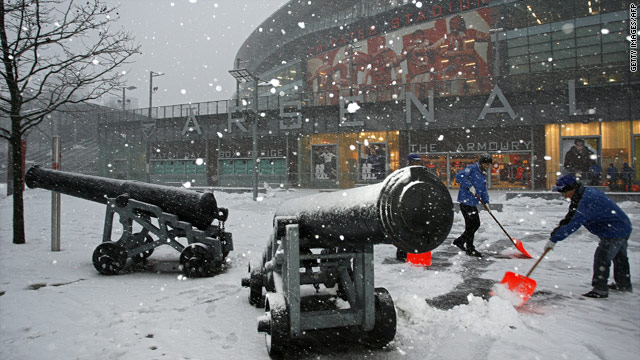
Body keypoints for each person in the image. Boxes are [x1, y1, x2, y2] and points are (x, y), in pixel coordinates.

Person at [545, 175, 632, 298]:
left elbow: (574, 223)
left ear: (571, 188)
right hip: (621, 226)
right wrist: (555, 233)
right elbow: (570, 216)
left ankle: (600, 289)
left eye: (563, 192)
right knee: (619, 258)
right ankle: (623, 284)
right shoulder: (582, 194)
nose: (563, 195)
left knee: (602, 257)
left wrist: (555, 239)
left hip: (614, 230)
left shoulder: (586, 199)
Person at [452, 153, 492, 257]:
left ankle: (461, 242)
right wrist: (469, 186)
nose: (487, 166)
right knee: (473, 225)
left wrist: (486, 202)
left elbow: (483, 190)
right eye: (485, 164)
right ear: (481, 163)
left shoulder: (483, 174)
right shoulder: (472, 168)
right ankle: (469, 247)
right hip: (465, 202)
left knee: (472, 225)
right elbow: (459, 176)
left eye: (488, 165)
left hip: (473, 203)